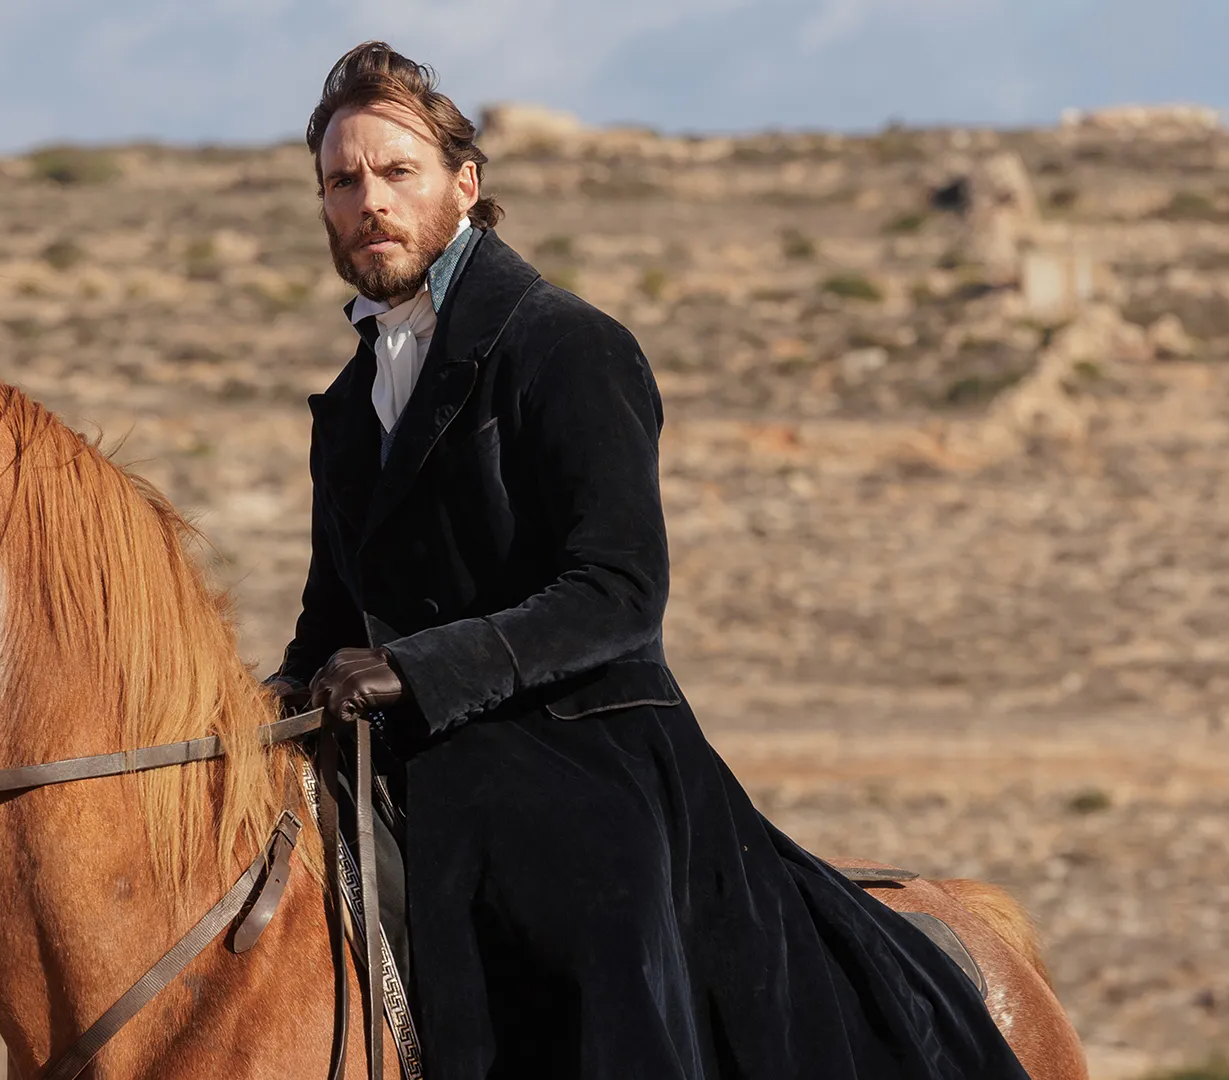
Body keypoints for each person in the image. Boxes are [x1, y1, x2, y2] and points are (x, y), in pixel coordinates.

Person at [264, 40, 1031, 1080]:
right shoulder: (347, 410)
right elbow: (327, 621)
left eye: (396, 172)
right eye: (343, 181)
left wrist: (421, 668)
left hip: (584, 744)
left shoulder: (567, 345)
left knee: (593, 923)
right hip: (406, 760)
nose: (369, 201)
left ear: (465, 183)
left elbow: (618, 593)